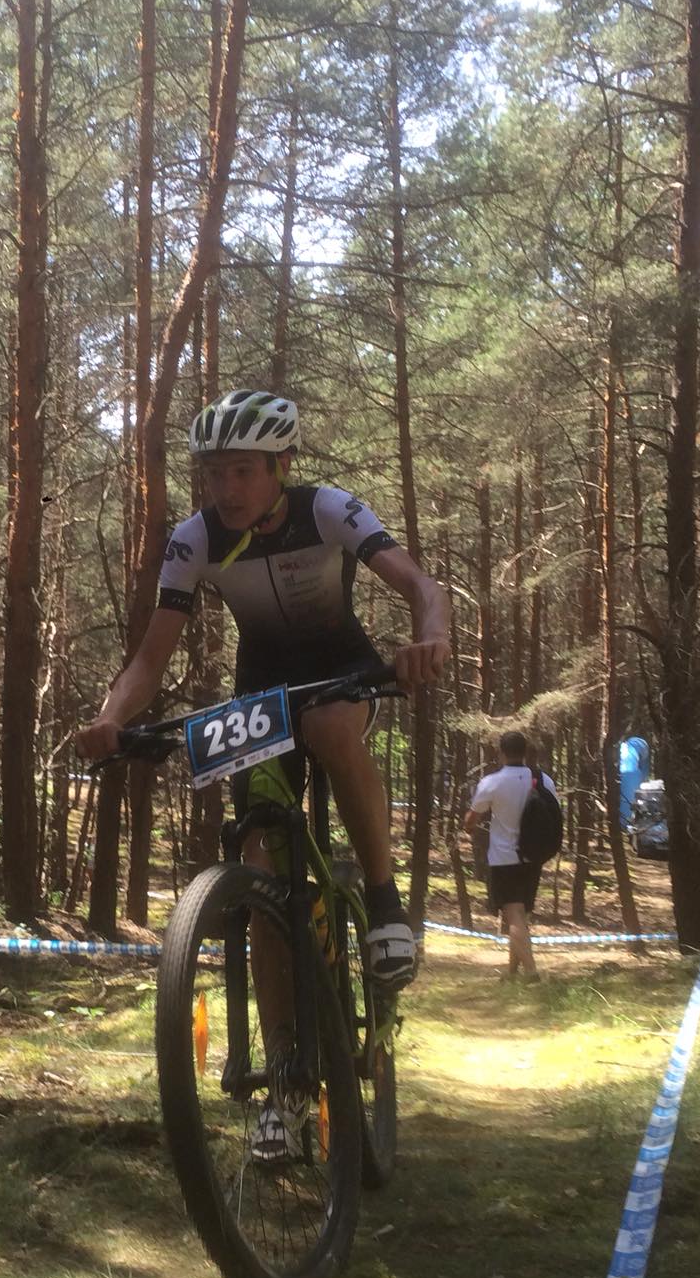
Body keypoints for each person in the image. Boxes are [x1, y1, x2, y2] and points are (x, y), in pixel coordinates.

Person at [76, 387, 451, 995]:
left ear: (282, 465)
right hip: (261, 695)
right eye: (214, 474)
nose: (226, 490)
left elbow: (421, 586)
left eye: (243, 471)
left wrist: (430, 637)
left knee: (328, 726)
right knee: (258, 870)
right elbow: (148, 660)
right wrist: (110, 718)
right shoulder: (196, 539)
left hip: (342, 672)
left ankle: (385, 903)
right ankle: (282, 1052)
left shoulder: (327, 509)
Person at [464, 730, 552, 982]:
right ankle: (512, 973)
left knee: (513, 915)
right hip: (533, 857)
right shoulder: (542, 779)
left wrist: (469, 826)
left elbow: (471, 820)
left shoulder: (492, 783)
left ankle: (531, 973)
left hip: (504, 858)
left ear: (501, 753)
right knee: (520, 915)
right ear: (525, 752)